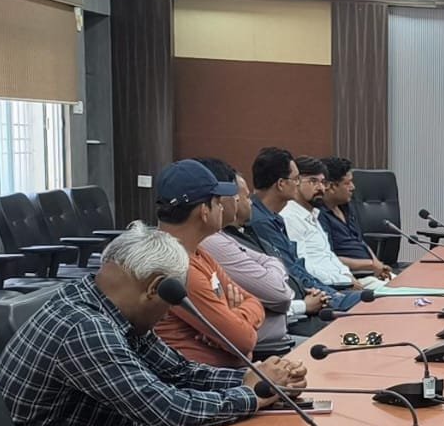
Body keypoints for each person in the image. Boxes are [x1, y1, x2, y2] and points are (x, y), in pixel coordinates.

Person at [0, 223, 306, 426]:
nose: (169, 312)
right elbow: (168, 411)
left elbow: (180, 372)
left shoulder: (109, 306)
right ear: (155, 288)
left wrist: (260, 377)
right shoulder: (85, 328)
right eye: (170, 303)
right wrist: (251, 395)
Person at [149, 160, 267, 367]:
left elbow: (254, 302)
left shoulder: (199, 253)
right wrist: (232, 324)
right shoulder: (178, 267)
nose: (222, 208)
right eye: (218, 202)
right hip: (197, 381)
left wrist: (233, 317)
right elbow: (243, 341)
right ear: (204, 211)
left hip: (225, 374)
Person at [197, 158, 330, 341]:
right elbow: (279, 293)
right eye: (241, 197)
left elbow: (274, 266)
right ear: (204, 208)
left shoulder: (227, 234)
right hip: (269, 340)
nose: (248, 202)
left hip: (280, 328)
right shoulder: (213, 241)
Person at [245, 147, 359, 313]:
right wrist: (333, 297)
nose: (298, 184)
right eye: (296, 179)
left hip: (312, 295)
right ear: (281, 184)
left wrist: (331, 294)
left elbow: (298, 267)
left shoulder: (274, 218)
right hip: (296, 306)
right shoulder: (261, 221)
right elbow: (290, 272)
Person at [281, 156, 380, 290]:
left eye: (323, 182)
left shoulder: (313, 215)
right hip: (328, 288)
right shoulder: (290, 217)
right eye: (313, 181)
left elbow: (329, 256)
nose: (321, 188)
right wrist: (345, 282)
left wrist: (348, 277)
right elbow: (304, 267)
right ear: (296, 182)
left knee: (400, 289)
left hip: (344, 282)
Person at [318, 156, 392, 280]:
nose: (353, 187)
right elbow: (328, 258)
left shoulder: (346, 207)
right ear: (331, 186)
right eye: (347, 183)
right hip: (352, 277)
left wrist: (377, 264)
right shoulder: (319, 215)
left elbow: (360, 241)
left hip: (371, 273)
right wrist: (370, 265)